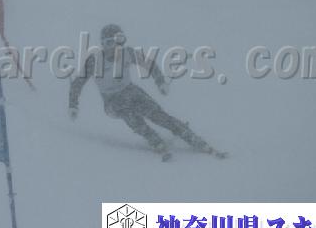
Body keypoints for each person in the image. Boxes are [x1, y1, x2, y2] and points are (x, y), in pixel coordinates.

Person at [68, 24, 227, 162]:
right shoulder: (94, 61)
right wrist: (73, 105)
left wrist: (160, 82)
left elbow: (149, 64)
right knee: (128, 112)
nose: (114, 48)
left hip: (130, 90)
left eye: (118, 42)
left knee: (158, 115)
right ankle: (153, 138)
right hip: (111, 100)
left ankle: (190, 137)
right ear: (103, 44)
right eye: (109, 43)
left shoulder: (127, 53)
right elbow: (77, 83)